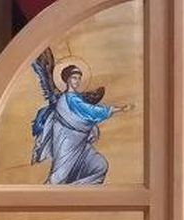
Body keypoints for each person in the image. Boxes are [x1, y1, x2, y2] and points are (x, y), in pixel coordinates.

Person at [31, 50, 132, 185]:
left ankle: (77, 191)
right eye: (74, 78)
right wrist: (118, 109)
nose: (77, 81)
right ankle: (49, 195)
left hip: (80, 144)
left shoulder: (77, 98)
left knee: (99, 165)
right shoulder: (69, 99)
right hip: (67, 142)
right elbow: (90, 111)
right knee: (58, 178)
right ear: (67, 79)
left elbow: (87, 111)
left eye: (79, 78)